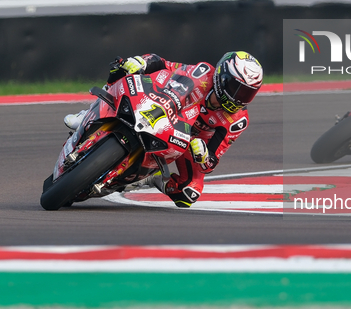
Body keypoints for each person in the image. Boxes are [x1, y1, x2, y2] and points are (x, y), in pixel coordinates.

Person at [64, 51, 264, 207]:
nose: (240, 98)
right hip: (165, 105)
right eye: (237, 89)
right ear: (222, 77)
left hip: (187, 141)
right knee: (124, 67)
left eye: (248, 94)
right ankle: (89, 113)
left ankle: (150, 179)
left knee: (189, 192)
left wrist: (203, 155)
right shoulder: (203, 72)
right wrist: (142, 62)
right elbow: (163, 63)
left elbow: (211, 163)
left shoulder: (237, 120)